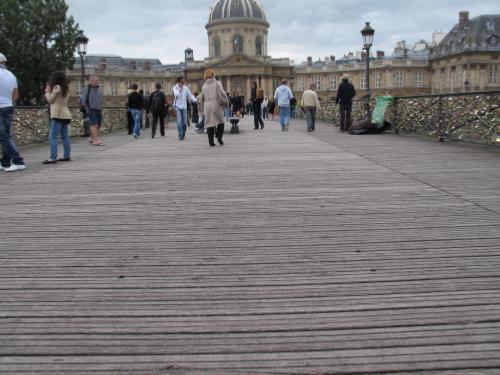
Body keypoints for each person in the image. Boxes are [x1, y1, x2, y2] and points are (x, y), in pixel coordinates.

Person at [0, 52, 25, 172]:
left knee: (3, 137)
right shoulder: (11, 75)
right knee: (6, 136)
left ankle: (18, 161)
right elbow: (16, 95)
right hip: (8, 107)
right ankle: (5, 162)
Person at [42, 71, 72, 164]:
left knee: (52, 137)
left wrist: (47, 92)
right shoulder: (66, 88)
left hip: (58, 115)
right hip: (66, 114)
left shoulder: (56, 87)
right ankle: (66, 156)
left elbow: (51, 100)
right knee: (65, 136)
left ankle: (53, 157)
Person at [202, 69, 228, 147]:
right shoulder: (217, 83)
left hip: (207, 106)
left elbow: (203, 96)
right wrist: (226, 102)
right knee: (221, 122)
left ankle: (211, 142)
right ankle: (219, 137)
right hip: (216, 105)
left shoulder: (204, 86)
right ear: (213, 75)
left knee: (209, 123)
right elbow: (223, 93)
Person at [80, 76, 104, 145]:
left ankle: (91, 138)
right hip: (91, 109)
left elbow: (101, 99)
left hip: (98, 109)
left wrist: (101, 106)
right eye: (96, 80)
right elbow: (83, 100)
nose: (97, 81)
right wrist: (87, 109)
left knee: (99, 125)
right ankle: (96, 140)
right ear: (91, 81)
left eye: (98, 80)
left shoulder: (99, 89)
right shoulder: (86, 89)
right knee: (94, 125)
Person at [173, 76, 196, 141]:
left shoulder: (186, 88)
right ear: (178, 82)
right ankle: (180, 135)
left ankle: (183, 133)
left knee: (185, 123)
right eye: (181, 82)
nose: (182, 83)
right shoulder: (175, 87)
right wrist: (180, 88)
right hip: (177, 106)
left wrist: (195, 100)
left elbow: (190, 95)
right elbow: (177, 95)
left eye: (183, 82)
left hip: (184, 107)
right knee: (179, 121)